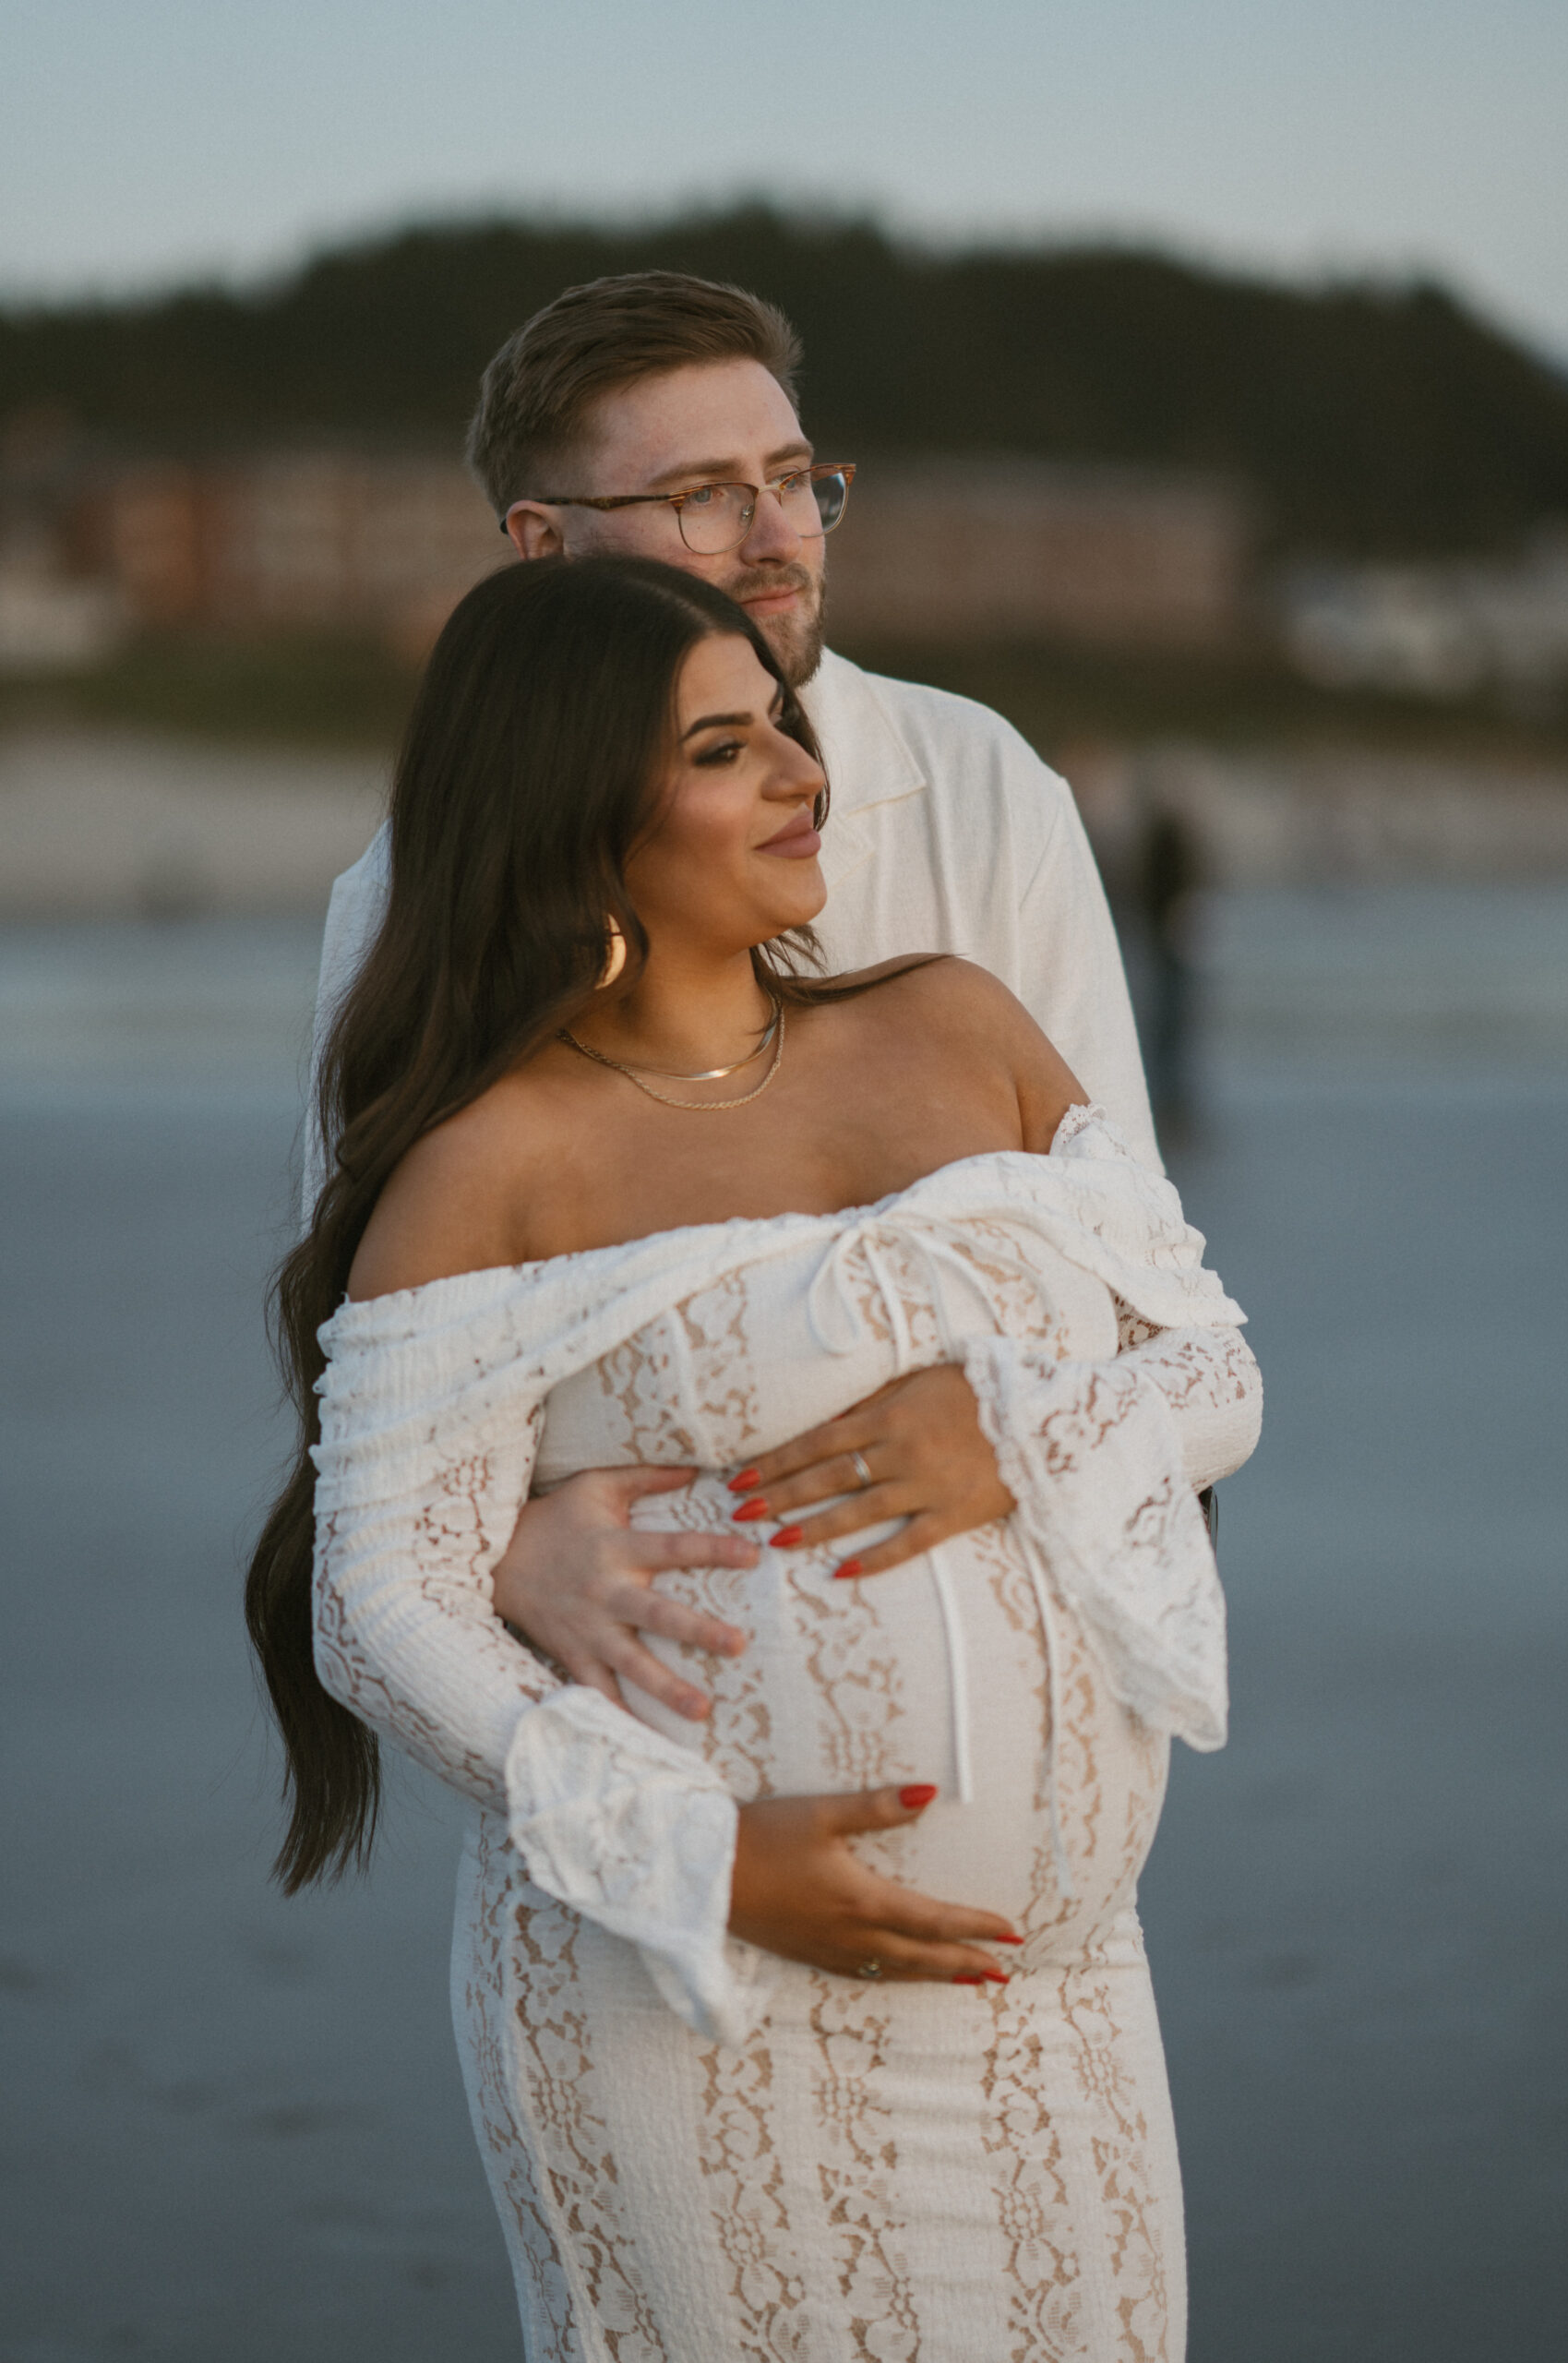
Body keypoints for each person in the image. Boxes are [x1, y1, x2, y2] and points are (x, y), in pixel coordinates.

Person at [252, 554, 1261, 2358]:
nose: (804, 773)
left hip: (1059, 1990)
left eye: (781, 726)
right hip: (697, 1992)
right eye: (725, 750)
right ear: (572, 809)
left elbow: (1209, 1368)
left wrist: (1019, 1430)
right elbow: (378, 1597)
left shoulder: (957, 1023)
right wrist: (694, 1853)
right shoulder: (494, 1161)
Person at [304, 270, 1181, 1735]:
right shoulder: (419, 887)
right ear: (543, 546)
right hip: (660, 1752)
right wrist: (512, 1557)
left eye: (793, 480)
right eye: (704, 497)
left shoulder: (979, 787)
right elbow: (383, 1390)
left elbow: (1145, 1285)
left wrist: (1038, 1446)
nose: (778, 537)